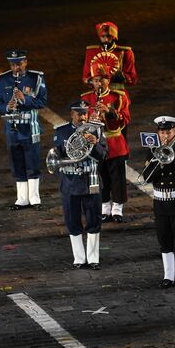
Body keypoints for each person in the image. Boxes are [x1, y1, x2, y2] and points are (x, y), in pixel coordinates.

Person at [52, 101, 108, 270]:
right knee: (72, 221)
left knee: (94, 220)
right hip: (70, 182)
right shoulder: (61, 131)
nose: (83, 117)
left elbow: (104, 155)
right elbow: (58, 154)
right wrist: (72, 144)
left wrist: (94, 144)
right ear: (72, 115)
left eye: (85, 113)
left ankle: (93, 258)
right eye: (79, 114)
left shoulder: (97, 129)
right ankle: (79, 258)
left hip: (91, 181)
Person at [0, 50, 47, 211]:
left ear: (25, 62)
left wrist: (25, 99)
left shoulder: (36, 78)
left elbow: (42, 102)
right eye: (12, 64)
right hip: (12, 129)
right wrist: (6, 107)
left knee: (32, 162)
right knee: (17, 162)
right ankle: (22, 198)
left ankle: (34, 197)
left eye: (19, 64)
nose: (15, 67)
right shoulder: (3, 79)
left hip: (31, 128)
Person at [81, 52, 131, 223]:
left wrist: (109, 112)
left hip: (114, 142)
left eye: (102, 79)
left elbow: (125, 119)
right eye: (95, 80)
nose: (98, 83)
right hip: (95, 144)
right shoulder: (86, 99)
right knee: (100, 176)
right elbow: (79, 121)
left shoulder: (119, 97)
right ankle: (105, 207)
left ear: (108, 80)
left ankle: (117, 209)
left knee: (117, 177)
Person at [142, 116, 175, 288]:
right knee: (165, 240)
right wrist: (158, 160)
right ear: (158, 133)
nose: (165, 135)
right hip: (161, 203)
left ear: (174, 132)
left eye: (168, 132)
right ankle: (168, 276)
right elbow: (147, 178)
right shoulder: (152, 151)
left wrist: (172, 158)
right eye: (162, 132)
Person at [82, 21, 137, 96]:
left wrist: (116, 76)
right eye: (103, 36)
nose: (106, 40)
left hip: (117, 94)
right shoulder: (91, 52)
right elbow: (86, 77)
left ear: (114, 37)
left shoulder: (125, 52)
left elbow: (132, 78)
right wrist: (96, 81)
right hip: (97, 94)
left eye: (108, 36)